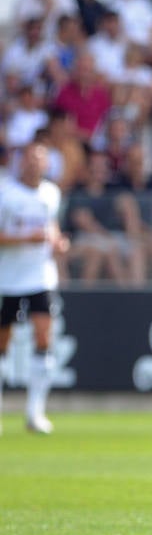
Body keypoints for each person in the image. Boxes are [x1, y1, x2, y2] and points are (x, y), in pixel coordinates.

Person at [0, 141, 68, 435]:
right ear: (21, 162)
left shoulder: (51, 193)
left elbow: (51, 225)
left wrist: (57, 240)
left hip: (40, 277)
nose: (35, 164)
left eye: (40, 159)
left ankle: (35, 411)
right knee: (3, 343)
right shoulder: (6, 194)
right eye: (29, 158)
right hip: (9, 278)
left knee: (44, 335)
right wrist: (26, 239)